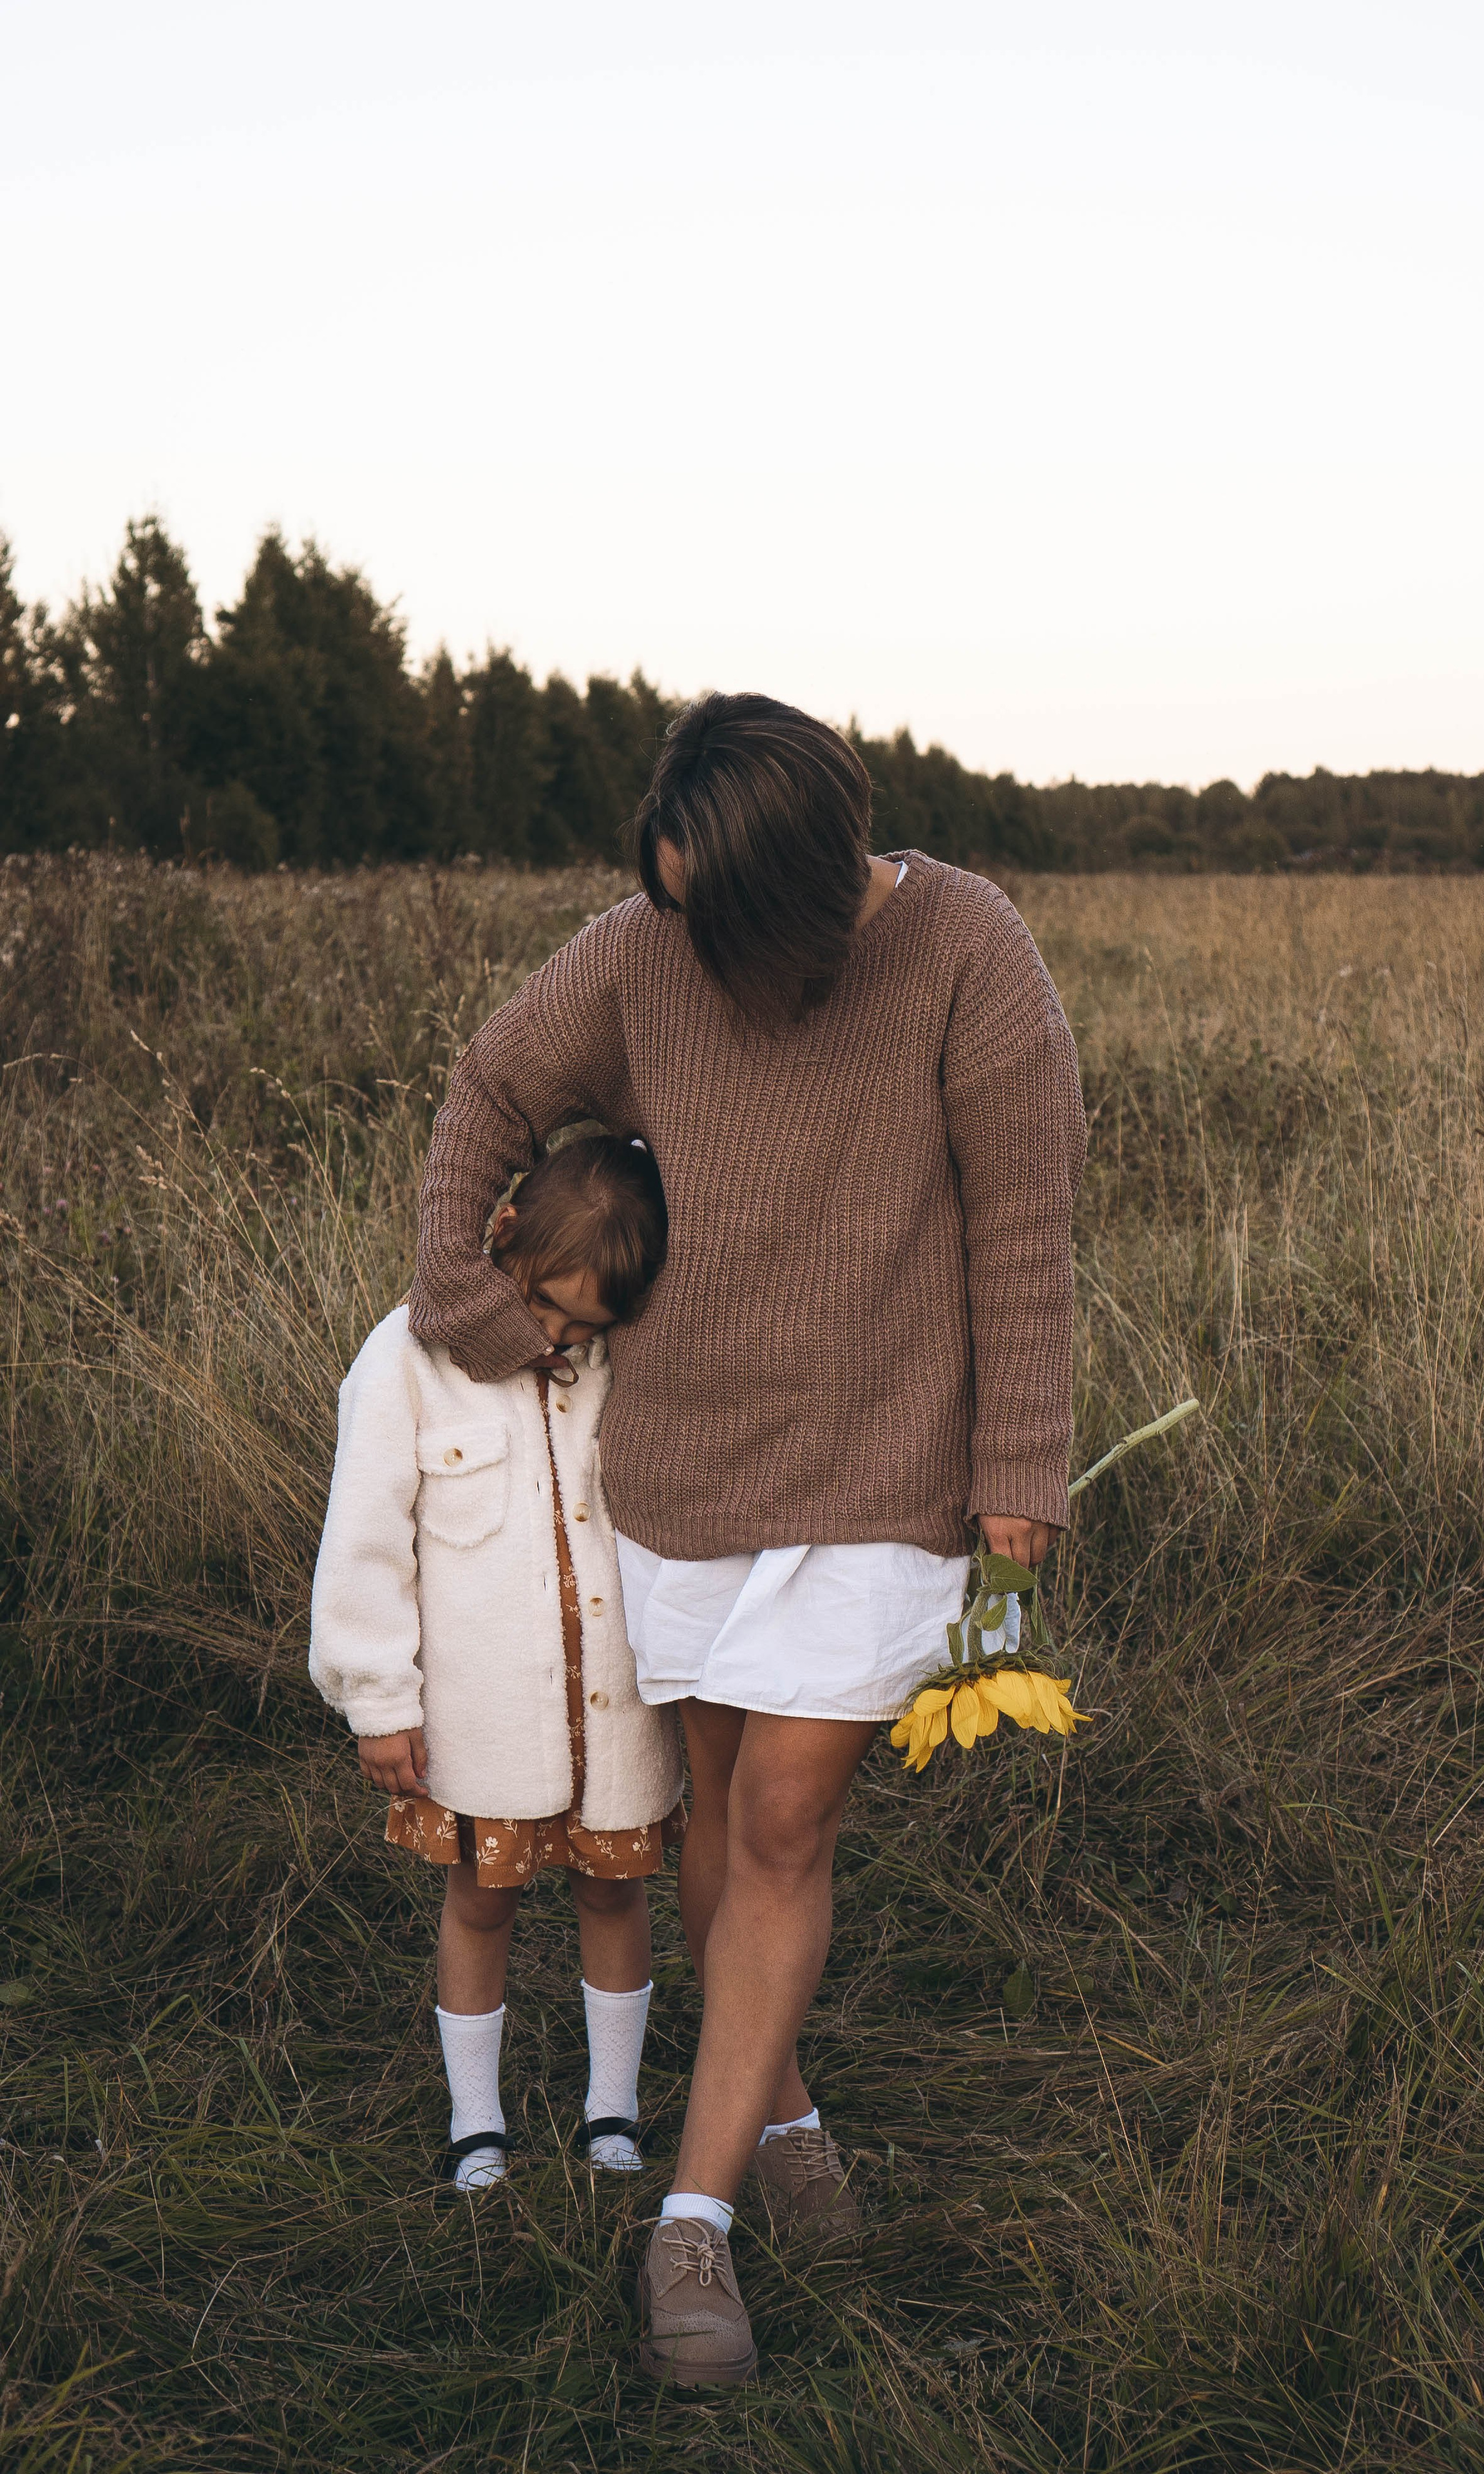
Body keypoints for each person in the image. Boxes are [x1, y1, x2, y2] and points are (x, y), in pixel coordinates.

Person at [408, 693, 1087, 2381]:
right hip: (691, 1475)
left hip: (882, 1471)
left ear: (798, 887)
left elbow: (1024, 1216)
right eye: (667, 897)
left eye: (713, 906)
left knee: (784, 1815)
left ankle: (691, 2230)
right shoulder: (646, 948)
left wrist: (1021, 1464)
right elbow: (495, 1078)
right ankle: (779, 2110)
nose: (681, 929)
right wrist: (467, 1300)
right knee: (720, 1807)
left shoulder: (964, 949)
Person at [309, 1135, 684, 2195]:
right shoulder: (407, 1360)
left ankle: (613, 2110)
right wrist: (377, 1696)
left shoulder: (627, 1363)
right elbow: (365, 1541)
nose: (560, 1338)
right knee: (481, 1900)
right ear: (502, 1236)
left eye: (587, 1325)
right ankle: (478, 2122)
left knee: (617, 1898)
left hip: (614, 1712)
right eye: (546, 1307)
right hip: (486, 1717)